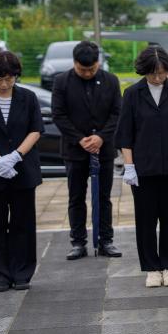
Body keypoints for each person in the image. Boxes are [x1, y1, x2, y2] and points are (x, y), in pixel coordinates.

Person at [116, 47, 168, 288]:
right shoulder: (132, 93)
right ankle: (151, 267)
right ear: (144, 71)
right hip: (143, 167)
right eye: (153, 74)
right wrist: (129, 166)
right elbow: (125, 134)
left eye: (162, 73)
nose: (158, 78)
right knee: (146, 219)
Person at [51, 40, 123, 260]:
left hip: (104, 148)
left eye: (91, 69)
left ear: (98, 63)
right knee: (76, 197)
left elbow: (117, 113)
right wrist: (80, 139)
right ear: (74, 63)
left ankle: (106, 240)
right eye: (82, 70)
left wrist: (101, 137)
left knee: (104, 197)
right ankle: (78, 242)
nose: (87, 73)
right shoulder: (61, 82)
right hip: (74, 150)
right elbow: (59, 115)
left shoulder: (111, 80)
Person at [0, 50, 43, 292]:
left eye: (9, 79)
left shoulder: (28, 97)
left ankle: (22, 272)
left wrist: (15, 156)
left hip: (23, 168)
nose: (4, 84)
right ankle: (0, 274)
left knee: (23, 222)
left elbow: (36, 129)